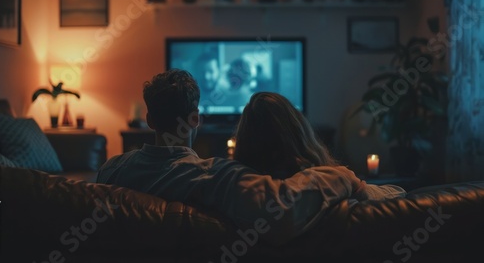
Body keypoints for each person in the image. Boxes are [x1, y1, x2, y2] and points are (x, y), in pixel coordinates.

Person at [97, 69, 381, 245]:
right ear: (195, 119)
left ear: (149, 119)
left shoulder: (111, 170)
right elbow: (282, 209)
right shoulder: (215, 176)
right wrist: (341, 174)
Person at [233, 92, 406, 200]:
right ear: (300, 133)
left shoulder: (231, 190)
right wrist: (351, 182)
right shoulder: (336, 183)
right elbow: (398, 194)